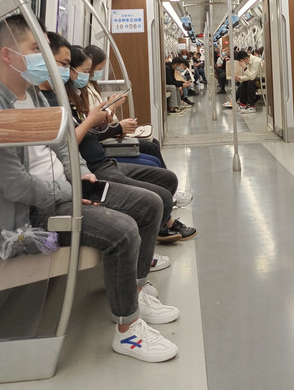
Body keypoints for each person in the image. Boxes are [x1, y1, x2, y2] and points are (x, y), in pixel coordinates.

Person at [0, 15, 179, 362]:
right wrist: (70, 192)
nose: (45, 58)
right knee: (123, 230)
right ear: (7, 55)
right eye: (36, 49)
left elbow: (63, 145)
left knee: (150, 204)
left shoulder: (34, 95)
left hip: (67, 189)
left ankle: (136, 290)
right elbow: (16, 186)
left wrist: (82, 175)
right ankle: (127, 330)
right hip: (34, 212)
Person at [46, 38, 196, 242]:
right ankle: (162, 223)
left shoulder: (75, 94)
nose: (92, 74)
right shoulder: (60, 99)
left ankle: (161, 221)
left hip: (101, 158)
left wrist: (105, 121)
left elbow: (82, 132)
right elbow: (69, 143)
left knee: (163, 170)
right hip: (97, 162)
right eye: (89, 70)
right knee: (156, 193)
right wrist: (108, 125)